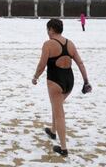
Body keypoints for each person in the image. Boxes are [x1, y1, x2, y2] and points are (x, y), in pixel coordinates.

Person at [32, 18, 91, 157]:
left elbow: (42, 65)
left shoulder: (48, 44)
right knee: (56, 105)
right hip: (69, 81)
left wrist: (35, 77)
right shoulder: (70, 43)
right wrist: (86, 81)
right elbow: (80, 63)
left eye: (48, 29)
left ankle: (63, 149)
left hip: (55, 81)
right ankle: (53, 132)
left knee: (59, 113)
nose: (47, 32)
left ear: (51, 29)